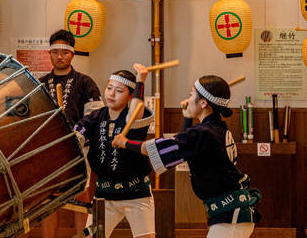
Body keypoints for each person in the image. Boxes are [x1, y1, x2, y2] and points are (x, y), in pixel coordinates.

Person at [112, 75, 261, 238]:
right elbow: (181, 146)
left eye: (191, 95)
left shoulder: (204, 133)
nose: (187, 100)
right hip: (232, 213)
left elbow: (162, 148)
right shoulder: (216, 128)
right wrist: (187, 118)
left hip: (230, 216)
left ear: (203, 103)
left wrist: (125, 142)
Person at [74, 64, 155, 238]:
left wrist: (140, 81)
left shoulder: (132, 117)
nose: (111, 94)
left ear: (130, 96)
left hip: (136, 193)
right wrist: (74, 140)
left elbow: (135, 112)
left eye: (119, 91)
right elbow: (80, 129)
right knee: (91, 236)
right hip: (104, 195)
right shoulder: (96, 116)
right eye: (109, 88)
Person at [38, 29, 103, 238]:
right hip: (48, 151)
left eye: (64, 52)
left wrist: (78, 134)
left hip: (79, 149)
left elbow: (95, 115)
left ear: (72, 54)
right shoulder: (39, 84)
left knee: (81, 197)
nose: (60, 56)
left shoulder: (85, 82)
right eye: (55, 52)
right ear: (49, 54)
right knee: (48, 200)